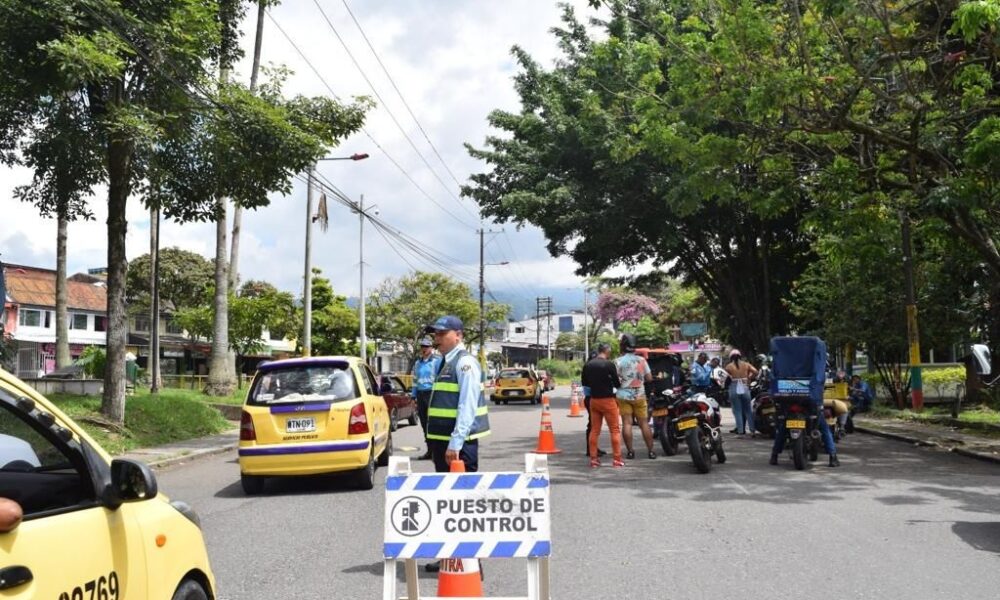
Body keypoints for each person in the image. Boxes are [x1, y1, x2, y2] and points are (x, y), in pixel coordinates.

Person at [423, 315, 491, 574]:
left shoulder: (464, 364)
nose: (436, 339)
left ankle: (472, 560)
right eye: (435, 334)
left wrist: (455, 442)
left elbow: (467, 406)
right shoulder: (444, 362)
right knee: (448, 502)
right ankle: (450, 556)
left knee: (464, 502)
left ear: (458, 335)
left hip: (458, 445)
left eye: (442, 334)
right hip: (444, 444)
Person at [614, 333, 656, 460]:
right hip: (639, 395)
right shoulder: (642, 360)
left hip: (623, 395)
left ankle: (630, 452)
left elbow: (615, 379)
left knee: (627, 423)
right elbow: (649, 378)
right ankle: (651, 451)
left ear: (623, 346)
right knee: (644, 423)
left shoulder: (617, 361)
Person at [581, 343, 623, 467]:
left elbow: (585, 384)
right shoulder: (609, 364)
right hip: (608, 400)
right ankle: (617, 459)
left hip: (594, 400)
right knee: (614, 430)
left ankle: (593, 459)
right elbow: (616, 383)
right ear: (607, 350)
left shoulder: (588, 365)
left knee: (595, 430)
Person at [410, 336, 441, 460]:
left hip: (432, 394)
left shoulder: (436, 362)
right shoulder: (418, 363)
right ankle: (429, 451)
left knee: (433, 423)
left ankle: (437, 451)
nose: (424, 349)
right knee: (424, 424)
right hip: (421, 395)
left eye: (426, 347)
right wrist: (413, 397)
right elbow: (415, 381)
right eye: (422, 346)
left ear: (431, 348)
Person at [725, 349, 758, 436]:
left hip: (734, 388)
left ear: (731, 357)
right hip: (745, 387)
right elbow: (756, 372)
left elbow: (726, 378)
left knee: (737, 411)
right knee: (748, 410)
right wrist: (749, 378)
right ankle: (752, 431)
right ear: (740, 356)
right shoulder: (746, 364)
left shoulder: (728, 366)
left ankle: (740, 432)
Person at [582, 350, 607, 458]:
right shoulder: (594, 369)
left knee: (593, 425)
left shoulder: (587, 367)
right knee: (593, 425)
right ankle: (591, 449)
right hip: (594, 398)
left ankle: (592, 448)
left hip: (589, 398)